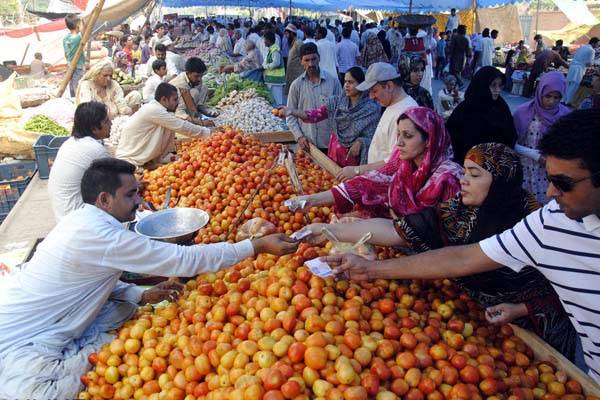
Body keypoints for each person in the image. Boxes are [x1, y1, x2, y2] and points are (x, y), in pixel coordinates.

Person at [326, 109, 600, 380]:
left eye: (563, 183)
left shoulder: (526, 213)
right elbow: (457, 257)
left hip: (539, 343)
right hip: (494, 331)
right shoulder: (547, 222)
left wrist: (523, 308)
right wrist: (337, 239)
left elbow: (554, 288)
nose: (551, 192)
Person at [0, 157, 298, 400]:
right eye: (131, 194)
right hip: (24, 338)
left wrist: (140, 294)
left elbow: (89, 279)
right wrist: (254, 246)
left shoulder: (82, 220)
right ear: (104, 199)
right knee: (54, 390)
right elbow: (184, 259)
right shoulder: (102, 235)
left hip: (48, 314)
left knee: (123, 312)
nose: (139, 200)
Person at [309, 143, 576, 360]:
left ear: (500, 182)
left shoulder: (532, 222)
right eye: (465, 172)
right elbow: (396, 230)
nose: (463, 181)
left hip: (532, 334)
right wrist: (326, 231)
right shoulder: (459, 210)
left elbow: (564, 288)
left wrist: (520, 308)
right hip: (479, 321)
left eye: (475, 175)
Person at [295, 107, 462, 219]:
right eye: (399, 135)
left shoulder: (449, 178)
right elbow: (367, 183)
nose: (399, 143)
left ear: (429, 140)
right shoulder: (403, 163)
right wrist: (310, 200)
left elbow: (447, 234)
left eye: (408, 136)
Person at [281, 67, 380, 167]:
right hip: (334, 155)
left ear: (361, 84)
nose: (346, 85)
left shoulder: (371, 109)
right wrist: (291, 111)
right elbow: (314, 115)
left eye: (351, 82)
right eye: (345, 81)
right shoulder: (336, 102)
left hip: (355, 161)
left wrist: (361, 142)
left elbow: (375, 138)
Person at [117, 83, 210, 168]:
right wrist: (209, 133)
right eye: (175, 99)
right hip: (129, 161)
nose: (177, 102)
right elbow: (181, 126)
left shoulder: (159, 110)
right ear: (164, 99)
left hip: (142, 161)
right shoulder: (153, 110)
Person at [513, 71, 571, 204]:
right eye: (548, 96)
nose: (552, 101)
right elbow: (511, 142)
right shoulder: (523, 112)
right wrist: (534, 155)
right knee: (524, 204)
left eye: (557, 98)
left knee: (547, 204)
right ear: (540, 92)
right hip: (524, 167)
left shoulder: (565, 116)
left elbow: (568, 145)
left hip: (549, 170)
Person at [48, 102, 111, 220]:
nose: (111, 123)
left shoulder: (70, 142)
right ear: (94, 128)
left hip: (62, 214)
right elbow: (116, 182)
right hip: (78, 218)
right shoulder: (94, 149)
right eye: (106, 121)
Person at [446, 66, 517, 163]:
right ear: (482, 85)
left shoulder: (501, 107)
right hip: (466, 167)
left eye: (500, 85)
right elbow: (452, 138)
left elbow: (510, 136)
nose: (498, 90)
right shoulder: (466, 108)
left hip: (495, 166)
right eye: (493, 85)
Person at [286, 43, 342, 153]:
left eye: (314, 59)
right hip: (307, 145)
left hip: (329, 144)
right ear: (301, 61)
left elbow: (341, 111)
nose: (311, 64)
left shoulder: (333, 82)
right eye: (306, 60)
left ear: (319, 58)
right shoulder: (296, 85)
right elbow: (290, 116)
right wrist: (299, 137)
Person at [75, 59, 141, 119]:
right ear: (97, 75)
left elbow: (121, 105)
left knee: (136, 95)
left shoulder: (114, 84)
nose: (108, 79)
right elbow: (86, 106)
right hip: (96, 119)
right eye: (105, 75)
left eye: (110, 76)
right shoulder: (87, 85)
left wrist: (128, 112)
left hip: (117, 117)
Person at [170, 57, 217, 122]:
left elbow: (198, 99)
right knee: (194, 92)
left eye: (201, 76)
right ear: (188, 73)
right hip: (174, 111)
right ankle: (193, 117)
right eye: (196, 76)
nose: (199, 79)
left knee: (204, 88)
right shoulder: (181, 84)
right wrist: (198, 122)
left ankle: (198, 112)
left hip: (189, 106)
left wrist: (206, 111)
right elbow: (179, 112)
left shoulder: (197, 80)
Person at [565, 37, 599, 105]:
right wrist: (593, 64)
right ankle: (567, 102)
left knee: (568, 84)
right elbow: (589, 63)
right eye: (597, 44)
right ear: (593, 43)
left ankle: (563, 100)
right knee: (574, 86)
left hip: (572, 67)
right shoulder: (592, 50)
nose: (597, 46)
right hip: (579, 69)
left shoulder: (582, 46)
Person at [63, 14, 86, 97]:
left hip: (70, 65)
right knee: (77, 87)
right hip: (78, 67)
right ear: (77, 25)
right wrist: (82, 22)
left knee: (72, 85)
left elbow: (65, 54)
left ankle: (73, 101)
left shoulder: (66, 38)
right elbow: (85, 30)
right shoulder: (78, 37)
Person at [284, 24, 304, 94]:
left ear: (292, 33)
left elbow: (303, 57)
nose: (286, 36)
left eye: (287, 34)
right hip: (291, 74)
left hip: (298, 75)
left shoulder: (298, 43)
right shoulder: (293, 44)